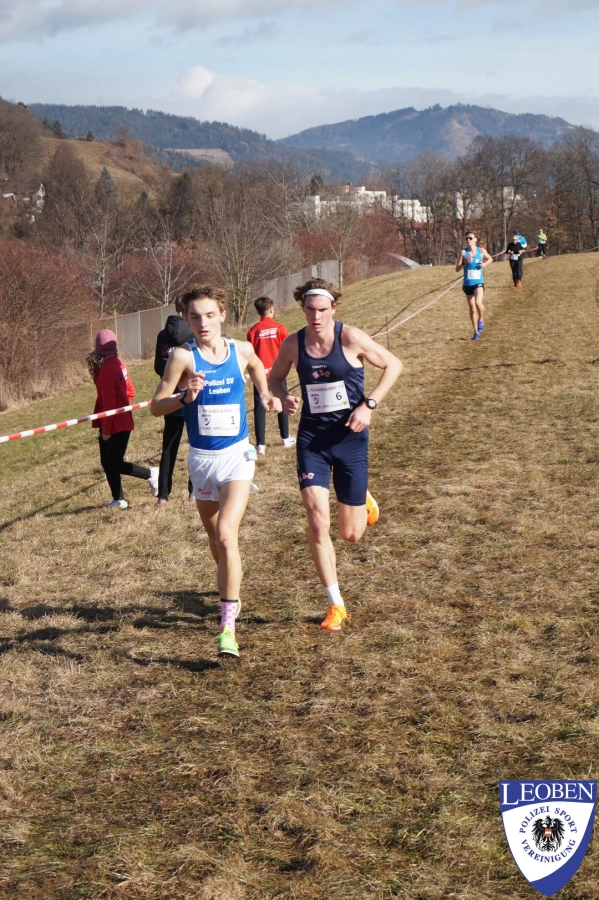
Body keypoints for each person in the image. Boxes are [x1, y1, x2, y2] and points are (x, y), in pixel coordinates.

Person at [150, 286, 281, 659]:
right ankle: (230, 583)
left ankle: (227, 626)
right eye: (194, 316)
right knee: (215, 541)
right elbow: (155, 406)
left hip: (237, 456)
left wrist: (265, 395)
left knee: (226, 534)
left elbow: (257, 369)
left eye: (209, 315)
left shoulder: (241, 350)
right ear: (186, 319)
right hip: (201, 461)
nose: (202, 323)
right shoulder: (182, 357)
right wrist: (183, 397)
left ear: (223, 315)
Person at [268, 278, 402, 632]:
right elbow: (274, 379)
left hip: (350, 438)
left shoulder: (351, 338)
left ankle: (363, 498)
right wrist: (284, 397)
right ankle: (336, 604)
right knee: (317, 521)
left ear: (334, 308)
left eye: (322, 310)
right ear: (303, 309)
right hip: (312, 440)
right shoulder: (293, 344)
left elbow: (394, 365)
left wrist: (369, 405)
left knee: (351, 535)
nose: (316, 317)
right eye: (310, 310)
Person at [87, 329, 158, 510]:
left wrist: (107, 430)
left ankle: (151, 474)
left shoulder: (106, 370)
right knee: (107, 462)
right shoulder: (120, 365)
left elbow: (110, 403)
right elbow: (130, 392)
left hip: (114, 424)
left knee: (115, 462)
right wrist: (122, 405)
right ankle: (118, 499)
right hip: (117, 420)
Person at [154, 298, 195, 505]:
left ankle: (163, 496)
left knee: (168, 448)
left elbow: (157, 367)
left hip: (169, 397)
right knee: (195, 445)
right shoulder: (194, 333)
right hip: (190, 396)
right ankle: (194, 492)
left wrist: (169, 380)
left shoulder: (162, 335)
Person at [246, 296, 296, 455]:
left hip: (259, 374)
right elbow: (287, 349)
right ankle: (285, 438)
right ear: (271, 310)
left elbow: (249, 354)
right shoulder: (280, 328)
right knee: (282, 399)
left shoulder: (252, 331)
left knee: (260, 406)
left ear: (258, 312)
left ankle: (260, 445)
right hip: (278, 373)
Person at [455, 232, 493, 341]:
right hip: (467, 284)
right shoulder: (463, 252)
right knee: (472, 309)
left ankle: (481, 319)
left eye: (470, 238)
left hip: (478, 282)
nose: (468, 240)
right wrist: (464, 262)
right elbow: (457, 269)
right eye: (467, 238)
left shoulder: (481, 251)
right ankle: (476, 331)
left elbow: (490, 259)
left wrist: (484, 264)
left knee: (478, 303)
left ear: (475, 239)